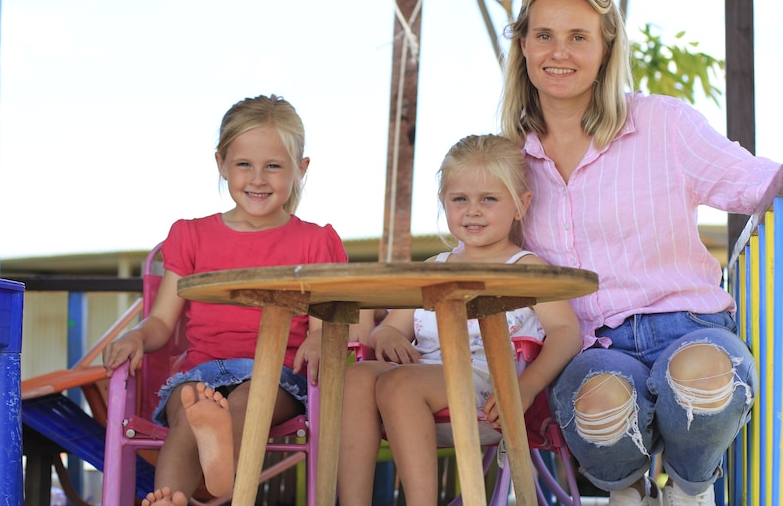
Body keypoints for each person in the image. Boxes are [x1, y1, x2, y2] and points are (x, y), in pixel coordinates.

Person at [499, 0, 781, 506]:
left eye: (578, 37)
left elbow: (758, 184)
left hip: (689, 326)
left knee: (705, 376)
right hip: (589, 345)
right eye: (544, 36)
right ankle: (628, 494)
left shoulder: (663, 124)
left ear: (605, 48)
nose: (560, 52)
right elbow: (486, 250)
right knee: (599, 404)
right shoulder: (510, 157)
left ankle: (689, 489)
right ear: (524, 46)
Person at [102, 94, 349, 506]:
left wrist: (317, 339)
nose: (257, 178)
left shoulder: (314, 241)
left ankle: (218, 472)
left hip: (278, 375)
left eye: (273, 165)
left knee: (245, 400)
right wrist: (137, 337)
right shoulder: (192, 236)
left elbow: (325, 325)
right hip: (204, 369)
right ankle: (174, 498)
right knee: (192, 411)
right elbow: (162, 322)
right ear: (221, 164)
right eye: (243, 165)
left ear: (301, 169)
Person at [337, 133, 582, 506]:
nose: (473, 210)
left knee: (399, 384)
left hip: (492, 388)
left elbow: (567, 332)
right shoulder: (432, 269)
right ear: (444, 203)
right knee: (355, 376)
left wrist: (527, 387)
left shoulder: (527, 269)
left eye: (489, 199)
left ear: (520, 205)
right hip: (425, 378)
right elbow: (392, 326)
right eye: (460, 199)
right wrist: (385, 336)